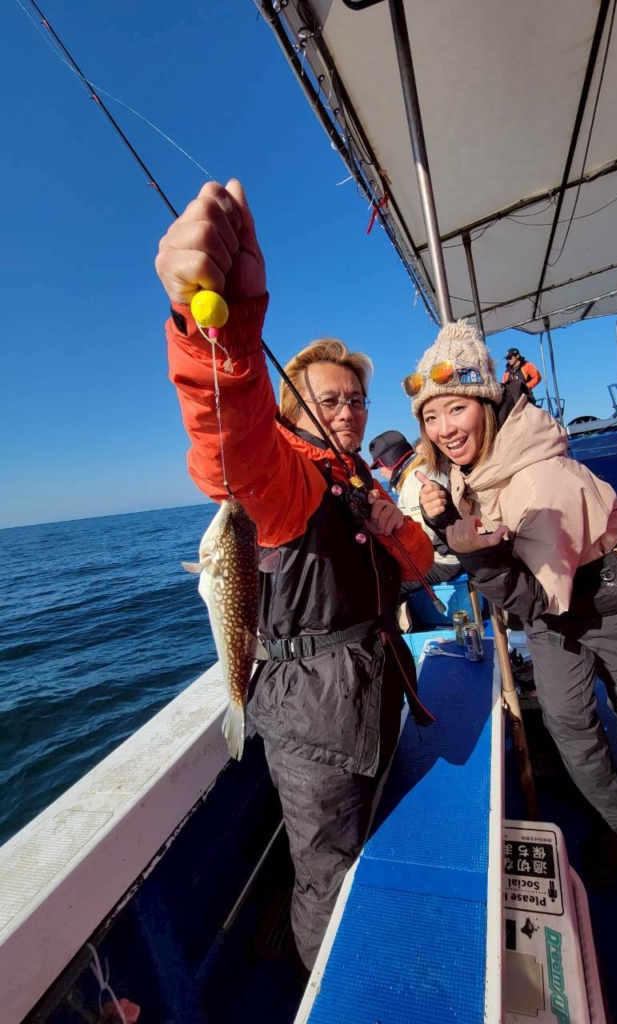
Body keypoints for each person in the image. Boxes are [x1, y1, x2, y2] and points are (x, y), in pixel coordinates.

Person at [156, 179, 435, 969]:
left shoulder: (358, 479)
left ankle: (370, 950)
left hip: (377, 684)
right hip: (313, 719)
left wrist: (395, 527)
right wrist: (219, 334)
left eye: (358, 401)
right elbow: (230, 449)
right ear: (293, 408)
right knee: (326, 874)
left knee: (373, 831)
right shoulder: (287, 479)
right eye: (330, 401)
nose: (348, 413)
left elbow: (418, 569)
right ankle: (330, 982)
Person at [409, 320, 617, 889]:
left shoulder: (540, 480)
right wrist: (445, 523)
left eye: (457, 409)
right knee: (565, 716)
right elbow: (500, 552)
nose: (444, 429)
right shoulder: (471, 466)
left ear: (487, 406)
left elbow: (536, 597)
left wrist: (474, 557)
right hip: (554, 602)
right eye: (431, 416)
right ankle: (613, 817)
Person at [369, 430, 462, 601]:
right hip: (454, 552)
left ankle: (404, 616)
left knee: (386, 585)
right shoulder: (424, 470)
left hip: (444, 561)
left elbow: (425, 537)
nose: (381, 473)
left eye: (380, 466)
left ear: (390, 462)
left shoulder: (413, 482)